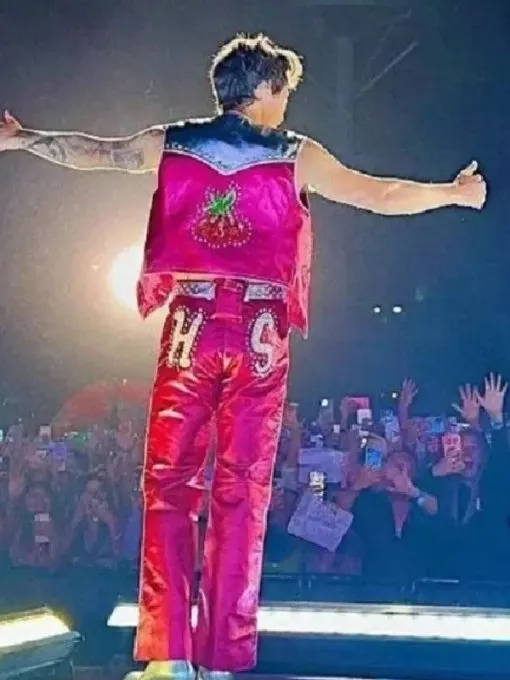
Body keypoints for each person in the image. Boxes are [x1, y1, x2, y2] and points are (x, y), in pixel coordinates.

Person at [0, 33, 486, 680]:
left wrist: (22, 139)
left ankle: (170, 654)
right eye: (283, 92)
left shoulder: (173, 141)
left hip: (191, 324)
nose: (286, 105)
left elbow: (97, 152)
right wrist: (451, 193)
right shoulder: (294, 153)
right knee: (243, 492)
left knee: (169, 486)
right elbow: (379, 194)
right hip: (257, 331)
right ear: (263, 88)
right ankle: (221, 656)